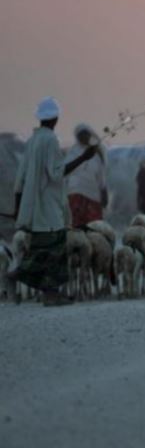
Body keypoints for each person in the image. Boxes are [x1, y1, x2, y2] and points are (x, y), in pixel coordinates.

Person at [5, 98, 99, 305]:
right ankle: (25, 279)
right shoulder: (50, 141)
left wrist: (18, 207)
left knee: (40, 250)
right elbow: (57, 174)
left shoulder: (32, 141)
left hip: (35, 208)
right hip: (49, 207)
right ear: (55, 118)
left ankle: (48, 293)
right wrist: (84, 158)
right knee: (54, 250)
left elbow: (20, 179)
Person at [64, 123, 108, 228]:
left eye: (86, 134)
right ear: (77, 137)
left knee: (95, 227)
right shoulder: (72, 153)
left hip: (93, 195)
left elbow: (101, 177)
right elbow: (65, 172)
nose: (85, 137)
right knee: (77, 227)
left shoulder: (95, 154)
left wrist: (104, 193)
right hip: (75, 193)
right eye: (82, 135)